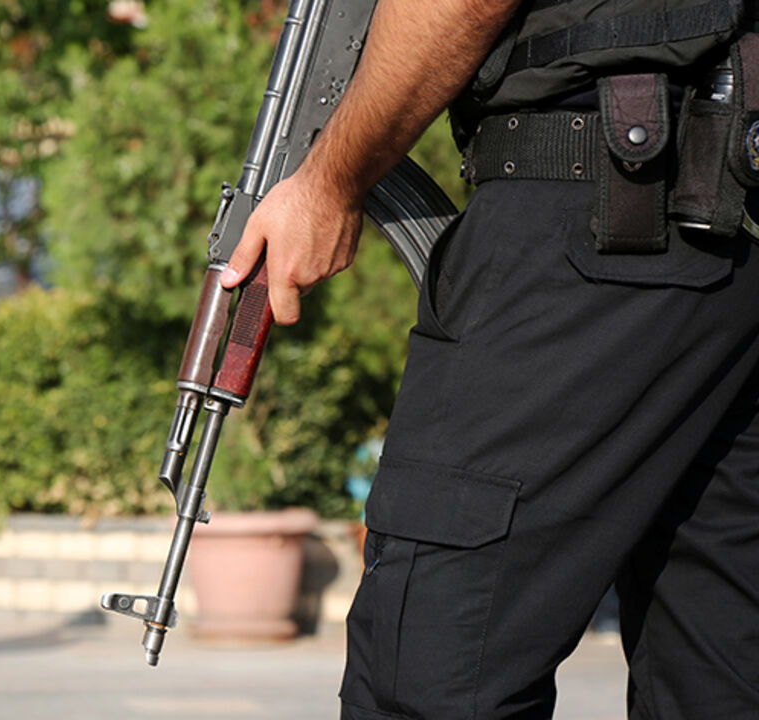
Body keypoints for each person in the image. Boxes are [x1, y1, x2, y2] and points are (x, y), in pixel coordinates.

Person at [221, 0, 759, 717]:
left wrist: (328, 184)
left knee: (434, 665)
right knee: (718, 665)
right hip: (717, 204)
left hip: (604, 208)